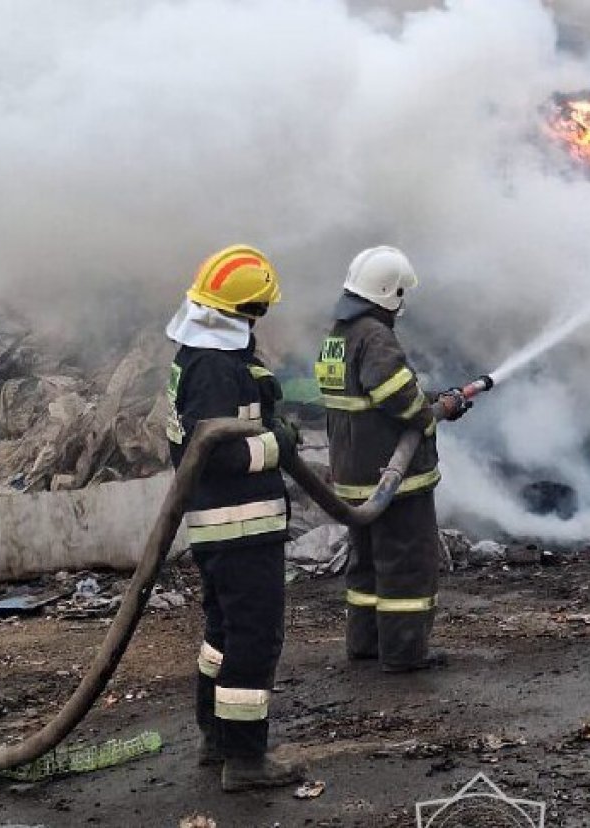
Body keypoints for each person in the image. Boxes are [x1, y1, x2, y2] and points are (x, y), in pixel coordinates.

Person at [165, 244, 305, 792]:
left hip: (221, 525)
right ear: (247, 311)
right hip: (239, 525)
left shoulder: (199, 357)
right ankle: (245, 759)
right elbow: (219, 452)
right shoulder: (216, 369)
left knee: (223, 633)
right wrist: (279, 444)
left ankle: (216, 738)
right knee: (255, 637)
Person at [314, 246, 470, 673]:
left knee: (365, 565)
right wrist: (434, 412)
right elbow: (395, 396)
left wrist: (434, 399)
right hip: (393, 478)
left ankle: (365, 644)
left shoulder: (338, 334)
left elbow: (367, 394)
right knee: (406, 564)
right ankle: (404, 653)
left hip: (353, 472)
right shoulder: (374, 335)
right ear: (390, 292)